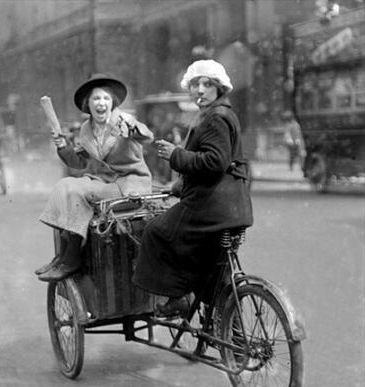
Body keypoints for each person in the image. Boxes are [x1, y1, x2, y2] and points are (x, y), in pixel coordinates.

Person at [132, 59, 253, 317]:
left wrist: (176, 155)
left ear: (219, 89)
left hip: (211, 207)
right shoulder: (221, 114)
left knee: (156, 232)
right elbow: (218, 165)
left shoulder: (215, 119)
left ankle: (177, 298)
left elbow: (215, 162)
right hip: (234, 208)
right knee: (212, 266)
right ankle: (235, 336)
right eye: (195, 84)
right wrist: (178, 187)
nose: (200, 90)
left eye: (207, 84)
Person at [36, 73, 154, 282]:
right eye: (96, 99)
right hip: (104, 181)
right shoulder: (85, 129)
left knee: (79, 192)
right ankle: (62, 257)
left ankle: (70, 260)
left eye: (106, 99)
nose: (101, 103)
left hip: (130, 182)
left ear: (113, 103)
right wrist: (62, 146)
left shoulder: (124, 120)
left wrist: (133, 129)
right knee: (65, 185)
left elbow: (146, 135)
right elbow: (78, 163)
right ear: (88, 104)